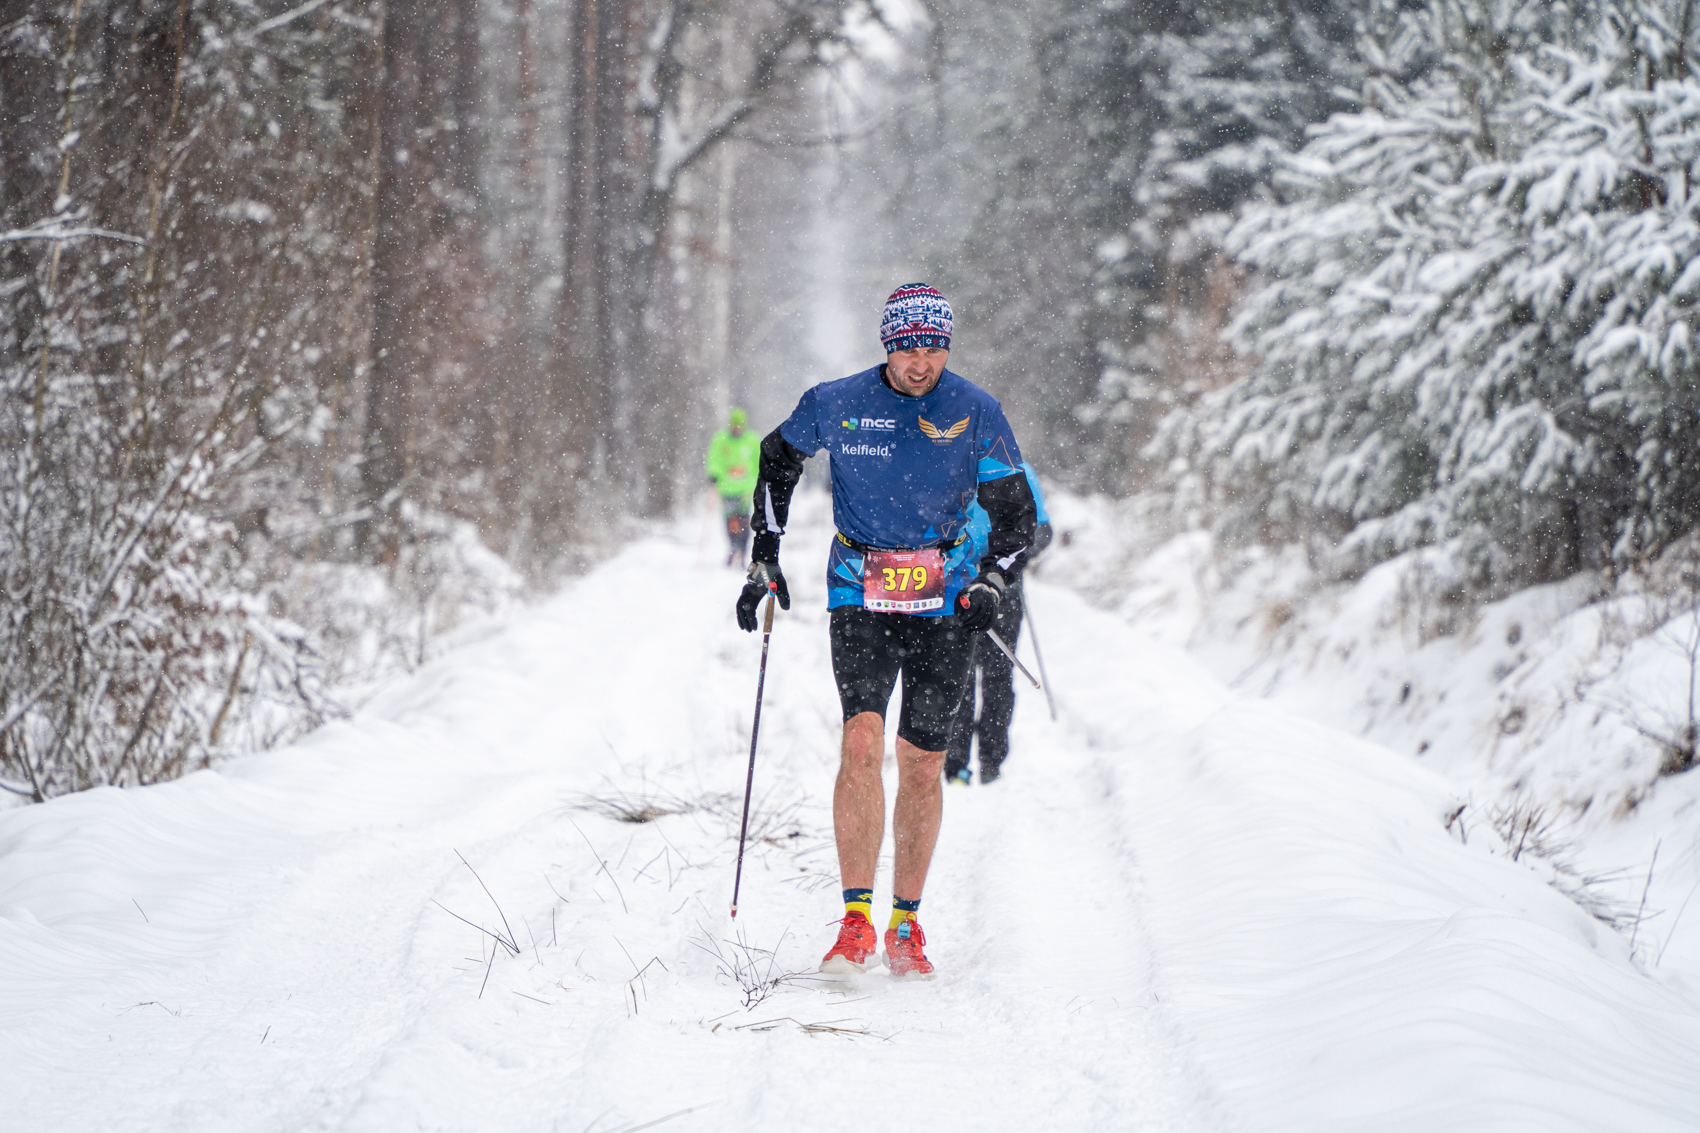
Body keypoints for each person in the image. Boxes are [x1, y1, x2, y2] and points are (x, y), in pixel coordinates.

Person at [732, 283, 1037, 979]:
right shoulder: (836, 403)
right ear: (887, 345)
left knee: (923, 762)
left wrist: (992, 581)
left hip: (944, 599)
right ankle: (855, 922)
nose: (920, 362)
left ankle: (906, 922)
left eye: (934, 348)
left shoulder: (975, 410)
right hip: (859, 590)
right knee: (862, 742)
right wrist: (764, 555)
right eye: (907, 348)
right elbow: (778, 458)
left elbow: (1016, 516)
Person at [944, 462, 1052, 786]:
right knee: (960, 674)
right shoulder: (951, 462)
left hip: (1001, 588)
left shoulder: (1018, 469)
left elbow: (1043, 530)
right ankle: (957, 764)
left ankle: (991, 760)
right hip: (957, 587)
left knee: (997, 674)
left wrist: (1005, 561)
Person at [705, 407, 762, 567]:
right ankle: (732, 547)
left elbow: (758, 461)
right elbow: (714, 458)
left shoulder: (752, 440)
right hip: (726, 488)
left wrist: (759, 478)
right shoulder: (721, 439)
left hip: (745, 489)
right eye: (735, 425)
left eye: (740, 425)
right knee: (730, 520)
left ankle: (742, 551)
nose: (737, 428)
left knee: (744, 520)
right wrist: (713, 473)